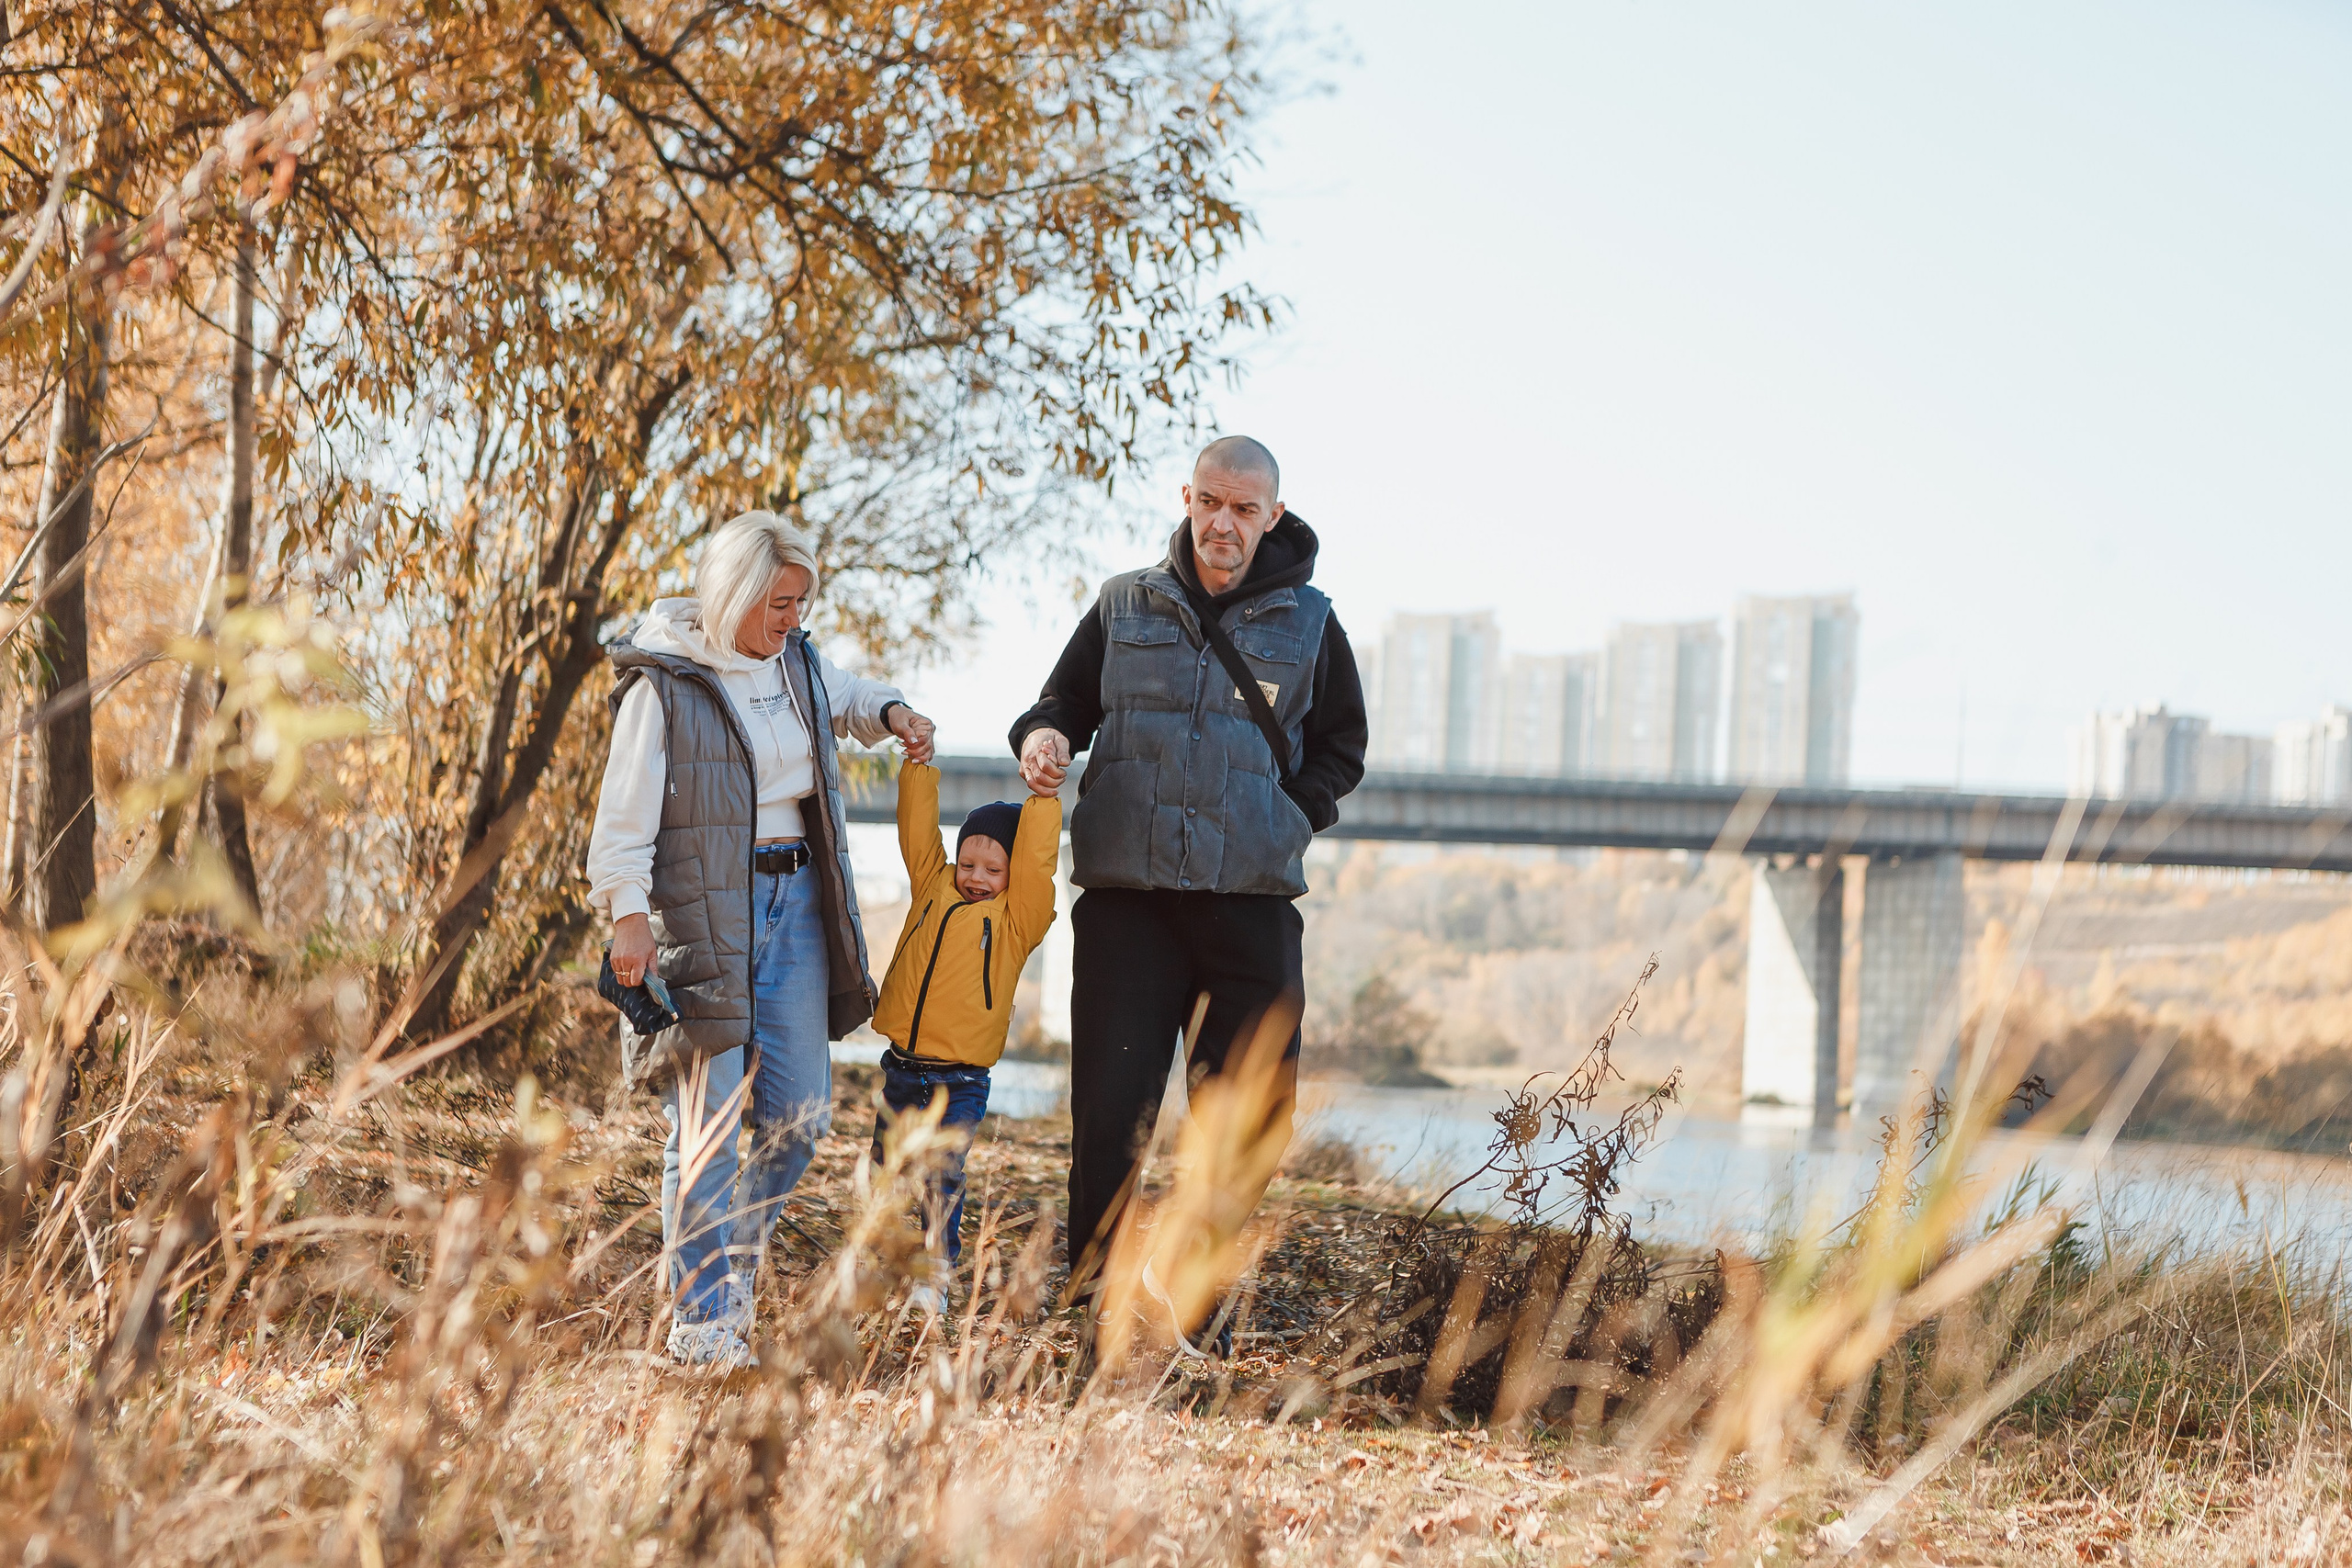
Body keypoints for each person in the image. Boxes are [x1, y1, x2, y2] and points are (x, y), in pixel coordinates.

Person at [1009, 434, 1366, 1310]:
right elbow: (1058, 704)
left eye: (1245, 509)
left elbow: (1343, 748)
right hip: (1129, 906)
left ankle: (1189, 1293)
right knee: (1108, 1120)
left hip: (1251, 903)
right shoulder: (1124, 605)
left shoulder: (1314, 624)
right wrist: (1044, 739)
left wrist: (1291, 812)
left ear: (1272, 516)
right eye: (1211, 502)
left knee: (1252, 1122)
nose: (1224, 522)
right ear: (1188, 498)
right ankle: (1094, 1312)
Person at [586, 510, 936, 1369]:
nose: (791, 620)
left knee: (802, 1115)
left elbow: (843, 695)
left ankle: (727, 1264)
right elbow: (621, 816)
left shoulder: (798, 662)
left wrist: (890, 710)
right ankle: (701, 1320)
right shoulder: (663, 682)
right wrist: (626, 911)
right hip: (707, 905)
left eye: (800, 603)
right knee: (707, 1122)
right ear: (734, 592)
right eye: (778, 603)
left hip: (798, 899)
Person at [866, 762, 1060, 1314]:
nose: (976, 876)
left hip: (962, 1079)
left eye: (992, 869)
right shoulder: (932, 885)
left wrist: (1042, 802)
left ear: (1010, 874)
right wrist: (919, 768)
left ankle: (936, 1276)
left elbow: (1038, 866)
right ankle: (878, 1259)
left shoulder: (1018, 920)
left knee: (940, 1176)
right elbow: (916, 830)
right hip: (901, 1068)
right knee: (884, 1169)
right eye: (968, 863)